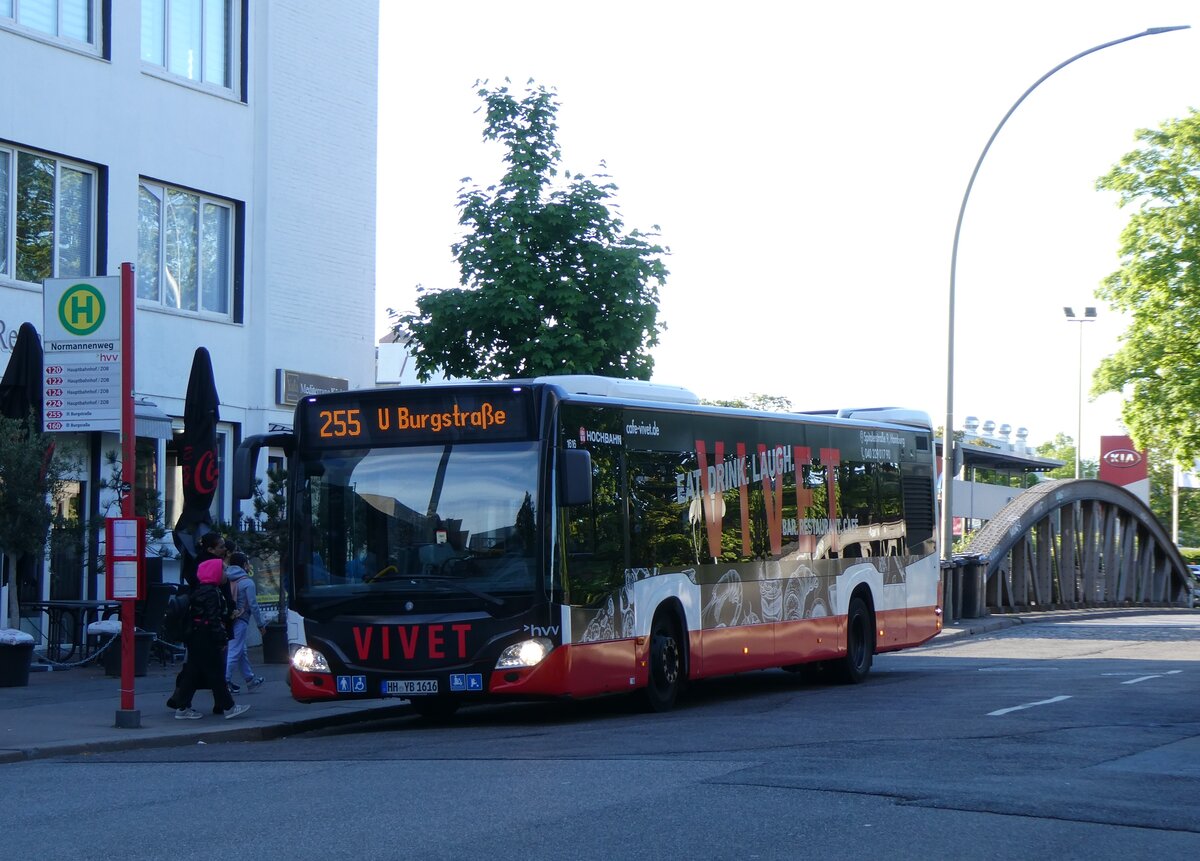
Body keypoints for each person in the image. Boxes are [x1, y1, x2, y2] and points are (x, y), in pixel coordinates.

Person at [169, 558, 250, 721]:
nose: (226, 574)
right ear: (215, 573)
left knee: (193, 672)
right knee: (216, 673)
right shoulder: (212, 592)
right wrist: (221, 639)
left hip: (196, 635)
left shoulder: (200, 590)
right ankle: (229, 707)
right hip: (206, 636)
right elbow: (213, 618)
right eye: (223, 570)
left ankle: (182, 707)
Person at [224, 551, 266, 694]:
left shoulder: (226, 578)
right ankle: (225, 680)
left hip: (228, 618)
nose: (249, 566)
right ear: (244, 565)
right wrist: (260, 624)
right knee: (235, 650)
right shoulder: (247, 582)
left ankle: (250, 679)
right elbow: (253, 605)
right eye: (247, 563)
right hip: (241, 619)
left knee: (241, 650)